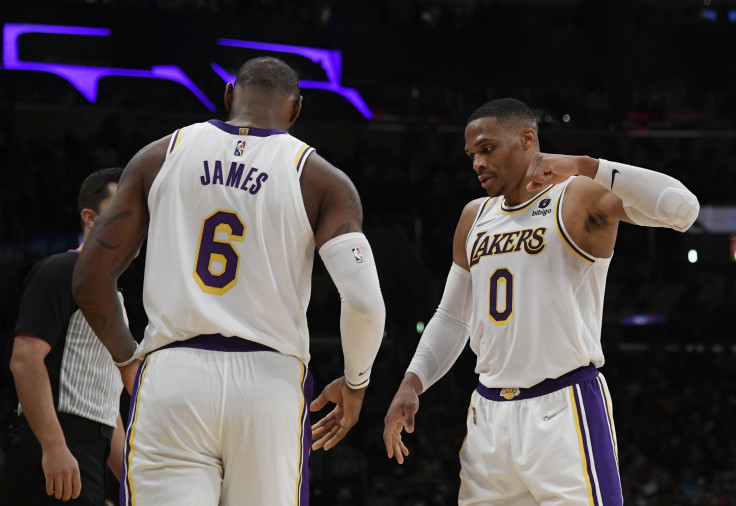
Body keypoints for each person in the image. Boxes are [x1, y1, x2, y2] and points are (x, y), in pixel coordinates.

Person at [71, 56, 385, 506]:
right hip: (270, 384)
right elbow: (364, 303)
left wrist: (127, 359)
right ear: (296, 109)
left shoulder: (160, 156)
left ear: (228, 94)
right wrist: (356, 383)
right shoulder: (323, 180)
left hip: (173, 374)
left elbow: (89, 277)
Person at [383, 98, 699, 505]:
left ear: (527, 138)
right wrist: (413, 382)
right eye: (471, 155)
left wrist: (588, 165)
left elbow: (682, 209)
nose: (477, 163)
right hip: (488, 414)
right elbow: (452, 317)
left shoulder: (577, 196)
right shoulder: (473, 217)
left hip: (563, 405)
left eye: (487, 148)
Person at [0, 167, 127, 505]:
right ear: (90, 217)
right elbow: (25, 359)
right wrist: (54, 447)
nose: (135, 222)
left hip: (88, 454)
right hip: (55, 443)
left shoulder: (116, 297)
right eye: (122, 208)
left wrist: (134, 481)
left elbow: (105, 402)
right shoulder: (61, 270)